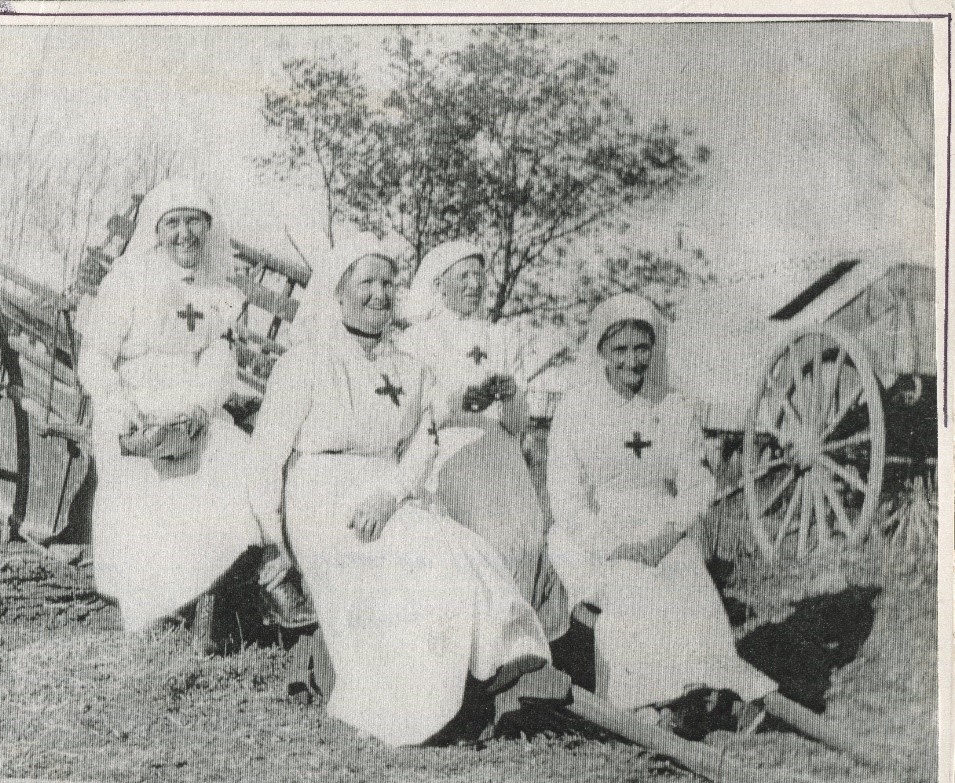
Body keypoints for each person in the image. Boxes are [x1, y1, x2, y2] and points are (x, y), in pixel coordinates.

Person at [250, 236, 552, 747]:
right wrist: (275, 542)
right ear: (339, 293)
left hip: (387, 492)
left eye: (388, 281)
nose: (379, 293)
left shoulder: (410, 368)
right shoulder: (306, 362)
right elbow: (266, 457)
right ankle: (411, 706)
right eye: (366, 281)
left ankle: (473, 680)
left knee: (458, 546)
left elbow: (423, 441)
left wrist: (391, 495)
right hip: (322, 498)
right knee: (412, 557)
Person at [544, 293, 775, 729]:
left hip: (662, 521)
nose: (632, 361)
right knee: (630, 582)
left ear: (656, 350)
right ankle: (645, 702)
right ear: (602, 354)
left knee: (684, 571)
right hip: (600, 524)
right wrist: (615, 544)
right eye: (620, 350)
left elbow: (697, 481)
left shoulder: (672, 406)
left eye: (641, 348)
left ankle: (706, 687)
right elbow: (566, 498)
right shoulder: (576, 411)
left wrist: (671, 532)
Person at [76, 179, 268, 633]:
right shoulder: (128, 282)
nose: (185, 234)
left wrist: (200, 409)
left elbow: (219, 360)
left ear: (209, 229)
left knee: (236, 458)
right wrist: (122, 409)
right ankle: (149, 604)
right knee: (145, 489)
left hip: (194, 411)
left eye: (195, 223)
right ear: (157, 232)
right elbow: (95, 356)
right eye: (174, 224)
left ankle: (218, 594)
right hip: (134, 411)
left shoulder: (215, 291)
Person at [396, 241, 567, 639]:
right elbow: (413, 415)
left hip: (498, 450)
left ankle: (519, 634)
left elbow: (517, 424)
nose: (474, 284)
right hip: (445, 449)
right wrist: (461, 401)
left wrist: (511, 396)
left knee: (523, 532)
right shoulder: (417, 341)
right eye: (464, 277)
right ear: (439, 285)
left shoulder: (499, 338)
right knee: (478, 534)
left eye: (478, 276)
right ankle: (477, 633)